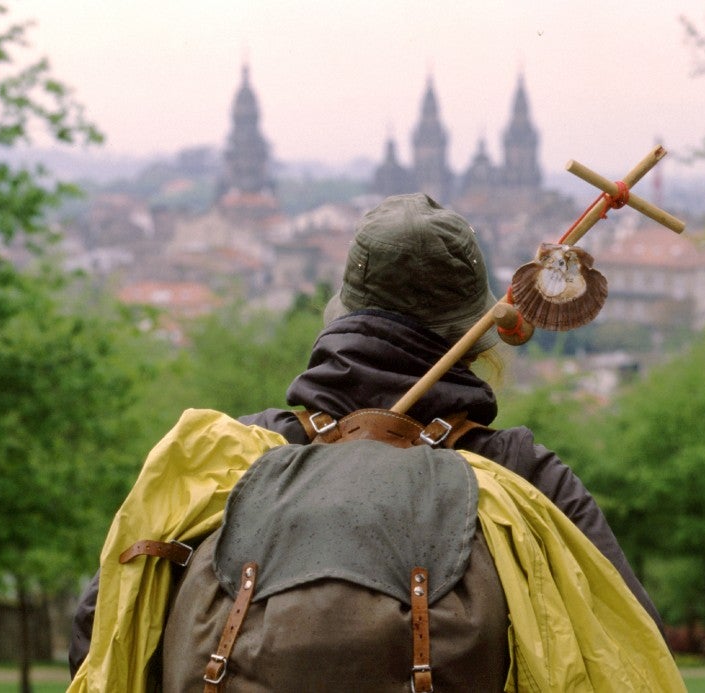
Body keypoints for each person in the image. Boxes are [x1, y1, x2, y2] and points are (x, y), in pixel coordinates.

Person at [68, 192, 664, 676]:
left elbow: (102, 635)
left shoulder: (226, 458)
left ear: (344, 318)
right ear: (476, 333)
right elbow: (633, 650)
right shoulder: (523, 473)